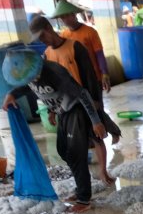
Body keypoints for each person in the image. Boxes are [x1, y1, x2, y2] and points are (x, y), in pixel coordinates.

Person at [2, 47, 105, 212]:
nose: (31, 80)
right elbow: (32, 88)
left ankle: (84, 199)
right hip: (62, 113)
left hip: (75, 111)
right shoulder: (29, 75)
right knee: (63, 150)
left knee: (75, 154)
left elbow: (82, 94)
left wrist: (96, 121)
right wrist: (12, 94)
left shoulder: (55, 72)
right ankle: (81, 189)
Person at [29, 15, 120, 185]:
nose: (42, 41)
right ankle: (83, 175)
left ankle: (103, 172)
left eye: (42, 36)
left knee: (96, 136)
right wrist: (51, 110)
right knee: (74, 143)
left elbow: (89, 76)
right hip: (67, 105)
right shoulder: (47, 54)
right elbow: (49, 87)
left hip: (85, 99)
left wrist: (95, 100)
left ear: (49, 29)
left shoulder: (75, 47)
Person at [56, 1, 110, 93]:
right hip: (75, 78)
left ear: (74, 15)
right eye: (62, 18)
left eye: (67, 16)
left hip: (93, 76)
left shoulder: (90, 32)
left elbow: (99, 53)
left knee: (97, 104)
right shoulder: (63, 35)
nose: (65, 20)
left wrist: (104, 73)